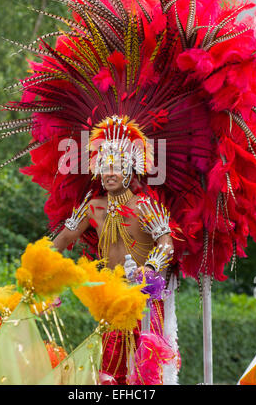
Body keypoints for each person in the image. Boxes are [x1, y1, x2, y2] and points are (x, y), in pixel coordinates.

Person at [52, 116, 175, 384]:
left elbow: (167, 243)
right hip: (111, 303)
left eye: (116, 168)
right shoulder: (93, 206)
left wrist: (150, 269)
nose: (109, 173)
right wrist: (41, 272)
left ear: (130, 171)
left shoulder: (145, 206)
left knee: (144, 375)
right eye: (104, 167)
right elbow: (62, 239)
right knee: (109, 373)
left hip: (143, 301)